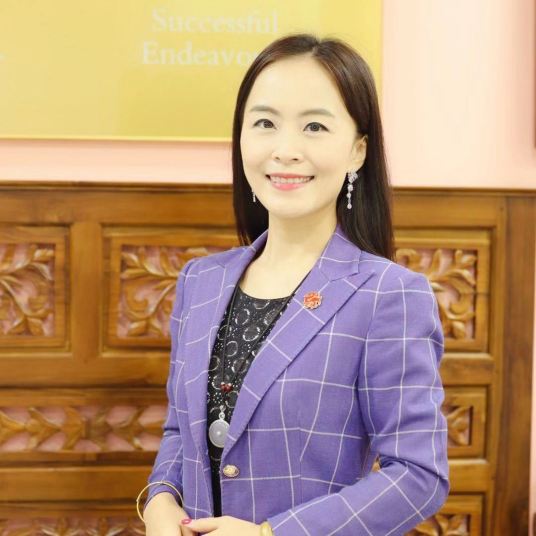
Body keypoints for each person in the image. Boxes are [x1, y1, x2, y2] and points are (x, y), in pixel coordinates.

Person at [139, 33, 449, 535]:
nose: (285, 150)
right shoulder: (201, 281)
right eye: (265, 123)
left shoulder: (389, 295)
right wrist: (159, 498)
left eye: (314, 127)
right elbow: (182, 430)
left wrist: (271, 534)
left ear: (358, 150)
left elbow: (418, 476)